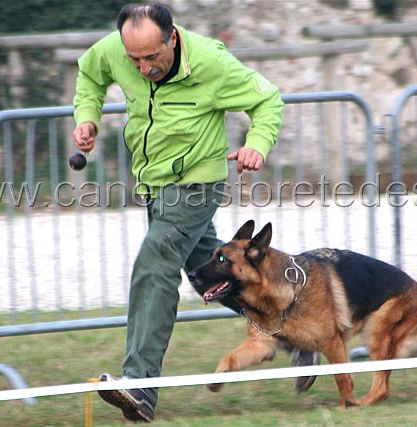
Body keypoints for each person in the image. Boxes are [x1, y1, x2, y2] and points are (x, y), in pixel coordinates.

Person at [72, 2, 318, 423]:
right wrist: (87, 118)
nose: (144, 67)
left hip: (196, 185)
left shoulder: (210, 62)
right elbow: (90, 77)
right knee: (212, 272)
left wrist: (257, 142)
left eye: (152, 56)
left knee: (154, 265)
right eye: (135, 59)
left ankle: (139, 385)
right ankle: (299, 333)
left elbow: (268, 101)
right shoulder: (116, 50)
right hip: (153, 186)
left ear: (172, 38)